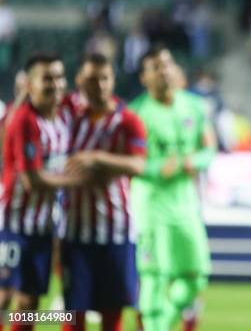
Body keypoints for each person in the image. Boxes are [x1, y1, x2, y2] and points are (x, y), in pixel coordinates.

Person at [129, 46, 216, 331]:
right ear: (144, 77)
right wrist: (157, 168)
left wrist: (195, 160)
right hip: (152, 206)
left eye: (167, 63)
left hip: (186, 205)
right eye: (156, 66)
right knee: (154, 276)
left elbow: (209, 148)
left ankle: (161, 324)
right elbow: (131, 162)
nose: (164, 70)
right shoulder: (136, 114)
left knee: (197, 276)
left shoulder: (193, 106)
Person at [58, 53, 147, 330]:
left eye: (104, 78)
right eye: (92, 79)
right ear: (79, 81)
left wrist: (95, 159)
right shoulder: (67, 114)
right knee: (73, 313)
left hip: (117, 230)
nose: (99, 85)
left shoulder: (128, 120)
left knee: (113, 312)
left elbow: (138, 164)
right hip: (75, 231)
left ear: (113, 80)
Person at [0, 53, 89, 324]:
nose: (55, 84)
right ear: (30, 84)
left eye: (59, 77)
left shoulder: (64, 115)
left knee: (30, 301)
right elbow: (32, 179)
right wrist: (76, 181)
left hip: (43, 226)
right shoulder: (24, 119)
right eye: (47, 78)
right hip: (13, 224)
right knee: (4, 295)